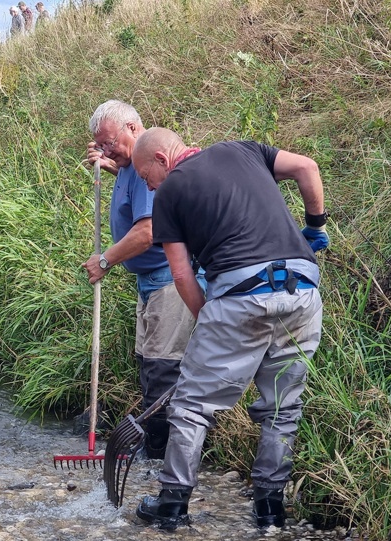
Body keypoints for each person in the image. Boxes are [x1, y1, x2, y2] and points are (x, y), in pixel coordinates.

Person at [131, 127, 328, 530]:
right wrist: (314, 226)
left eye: (146, 176)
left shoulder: (170, 192)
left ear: (162, 161)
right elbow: (307, 167)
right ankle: (269, 510)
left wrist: (210, 322)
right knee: (281, 408)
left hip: (241, 295)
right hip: (303, 291)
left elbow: (183, 277)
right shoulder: (246, 150)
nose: (148, 185)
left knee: (190, 406)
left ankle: (171, 504)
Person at [82, 100, 202, 459]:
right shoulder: (131, 167)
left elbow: (148, 231)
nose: (105, 151)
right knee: (149, 364)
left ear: (133, 129)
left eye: (109, 143)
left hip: (169, 281)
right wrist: (112, 164)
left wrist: (105, 260)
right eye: (99, 145)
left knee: (162, 368)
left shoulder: (150, 165)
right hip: (149, 281)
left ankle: (163, 456)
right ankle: (154, 449)